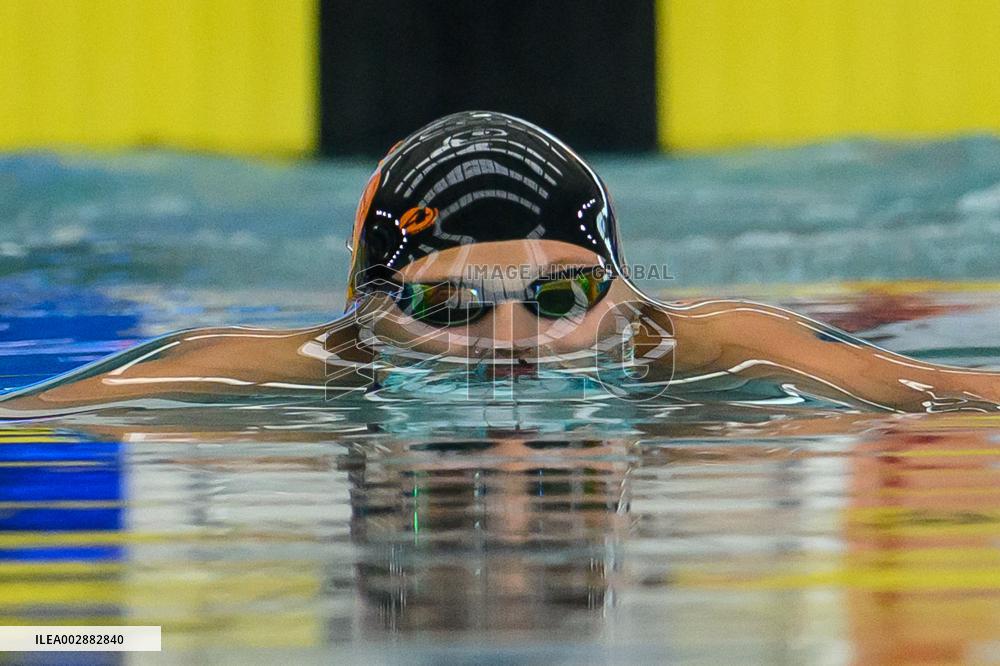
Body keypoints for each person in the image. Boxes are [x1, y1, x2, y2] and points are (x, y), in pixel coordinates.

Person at [2, 111, 998, 417]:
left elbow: (950, 391)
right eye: (449, 310)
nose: (509, 346)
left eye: (559, 297)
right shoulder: (302, 363)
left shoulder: (711, 346)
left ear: (619, 292)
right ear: (367, 315)